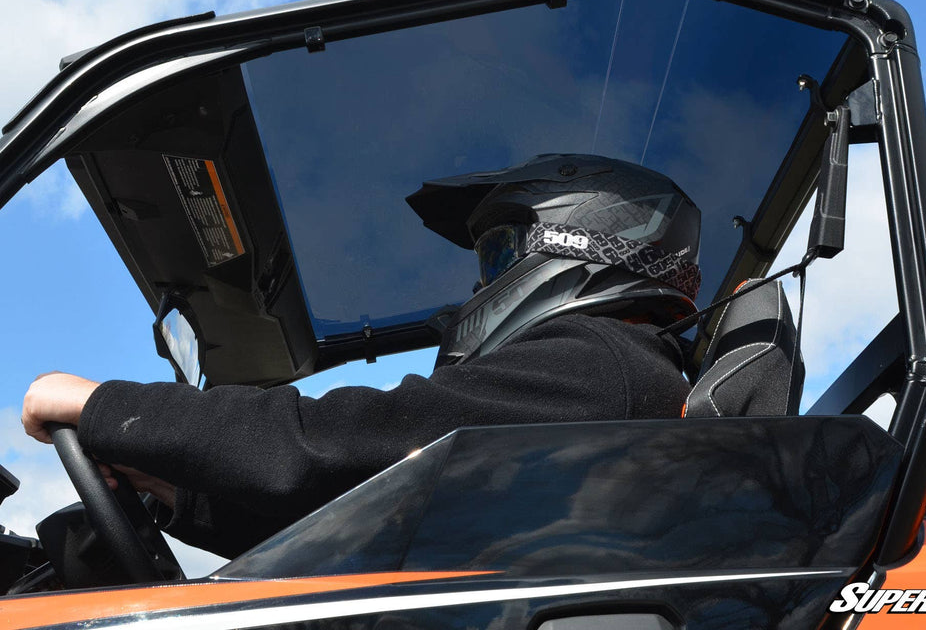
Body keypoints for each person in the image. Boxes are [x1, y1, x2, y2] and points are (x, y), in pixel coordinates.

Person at [22, 154, 702, 558]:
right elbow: (370, 512)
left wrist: (107, 405)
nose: (479, 284)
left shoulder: (602, 365)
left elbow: (332, 445)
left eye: (498, 255)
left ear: (591, 247)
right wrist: (175, 490)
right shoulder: (614, 382)